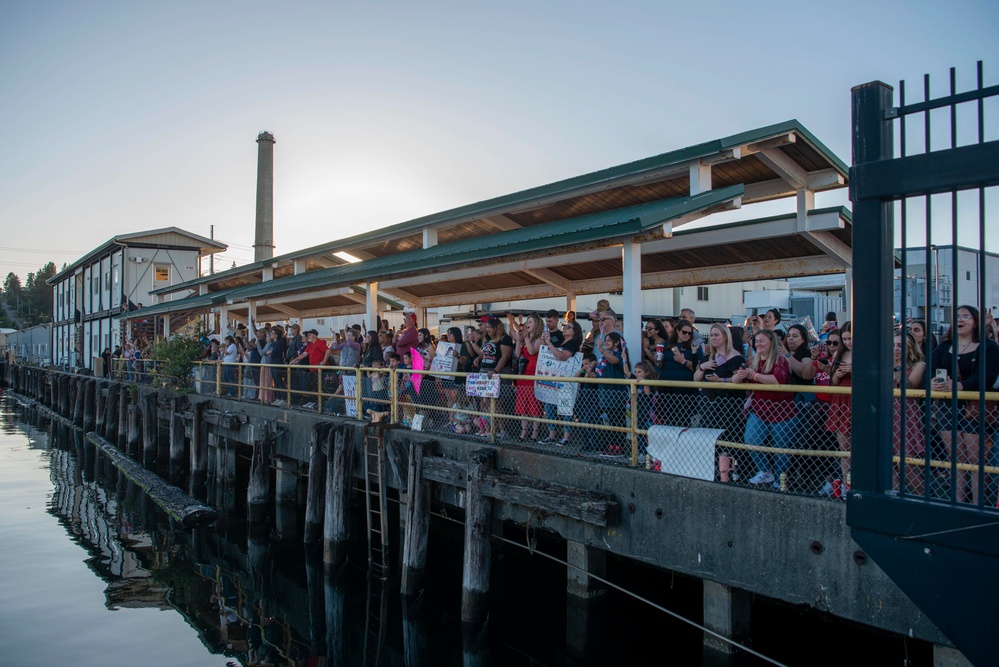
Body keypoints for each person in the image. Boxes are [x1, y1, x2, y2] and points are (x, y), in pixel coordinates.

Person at [930, 305, 999, 504]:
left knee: (976, 461)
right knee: (956, 460)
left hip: (975, 409)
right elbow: (932, 369)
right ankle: (957, 502)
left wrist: (960, 385)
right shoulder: (944, 346)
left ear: (976, 321)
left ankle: (978, 504)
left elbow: (986, 376)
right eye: (957, 316)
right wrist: (933, 382)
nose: (960, 320)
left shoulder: (989, 347)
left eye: (966, 316)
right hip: (947, 407)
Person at [733, 329, 796, 489]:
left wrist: (753, 376)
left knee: (780, 447)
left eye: (762, 340)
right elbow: (736, 379)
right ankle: (765, 470)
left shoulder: (780, 360)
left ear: (771, 343)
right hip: (759, 408)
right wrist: (739, 377)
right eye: (757, 341)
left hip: (782, 409)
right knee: (751, 439)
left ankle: (781, 478)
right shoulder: (752, 361)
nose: (758, 344)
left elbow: (777, 380)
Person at [694, 324, 746, 438]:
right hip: (708, 407)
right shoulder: (708, 357)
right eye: (711, 335)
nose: (713, 338)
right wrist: (703, 367)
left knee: (727, 439)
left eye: (716, 335)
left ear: (726, 336)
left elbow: (739, 380)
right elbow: (695, 379)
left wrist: (720, 380)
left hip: (729, 407)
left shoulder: (736, 358)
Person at [539, 319, 583, 446]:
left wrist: (549, 343)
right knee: (549, 407)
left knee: (565, 408)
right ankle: (551, 434)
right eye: (564, 326)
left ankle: (566, 436)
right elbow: (549, 352)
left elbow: (561, 356)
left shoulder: (573, 343)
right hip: (554, 380)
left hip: (566, 380)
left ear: (575, 332)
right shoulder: (560, 340)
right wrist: (545, 341)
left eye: (568, 327)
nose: (565, 328)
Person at [893, 331, 927, 495]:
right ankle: (896, 497)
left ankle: (924, 496)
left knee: (906, 464)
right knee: (885, 462)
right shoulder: (884, 362)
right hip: (887, 413)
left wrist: (896, 366)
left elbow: (909, 385)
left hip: (906, 415)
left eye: (900, 345)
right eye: (892, 345)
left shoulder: (918, 364)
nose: (896, 349)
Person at [657, 319, 702, 427]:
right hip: (666, 385)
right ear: (677, 331)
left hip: (684, 387)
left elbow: (699, 366)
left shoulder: (693, 346)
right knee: (668, 417)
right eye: (684, 332)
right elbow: (660, 364)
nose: (687, 335)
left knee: (683, 418)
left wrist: (683, 361)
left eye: (689, 333)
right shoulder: (667, 344)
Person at [825, 322, 853, 484]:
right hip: (841, 400)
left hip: (856, 399)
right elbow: (833, 381)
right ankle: (846, 485)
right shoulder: (839, 354)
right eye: (845, 339)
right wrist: (840, 372)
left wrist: (852, 370)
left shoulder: (865, 353)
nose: (848, 342)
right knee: (844, 449)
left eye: (850, 338)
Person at [597, 331, 631, 455]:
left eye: (609, 341)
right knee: (610, 421)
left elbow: (615, 361)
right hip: (605, 393)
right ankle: (611, 445)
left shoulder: (619, 355)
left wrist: (601, 349)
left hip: (616, 394)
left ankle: (619, 447)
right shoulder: (605, 356)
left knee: (618, 421)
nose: (606, 343)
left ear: (616, 342)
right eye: (605, 340)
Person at [513, 314, 544, 442]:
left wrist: (525, 338)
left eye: (530, 322)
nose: (527, 324)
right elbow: (517, 354)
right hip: (523, 374)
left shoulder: (539, 339)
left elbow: (532, 351)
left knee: (534, 405)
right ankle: (524, 430)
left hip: (533, 375)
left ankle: (535, 432)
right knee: (522, 406)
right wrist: (519, 341)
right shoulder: (526, 338)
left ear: (536, 325)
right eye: (527, 321)